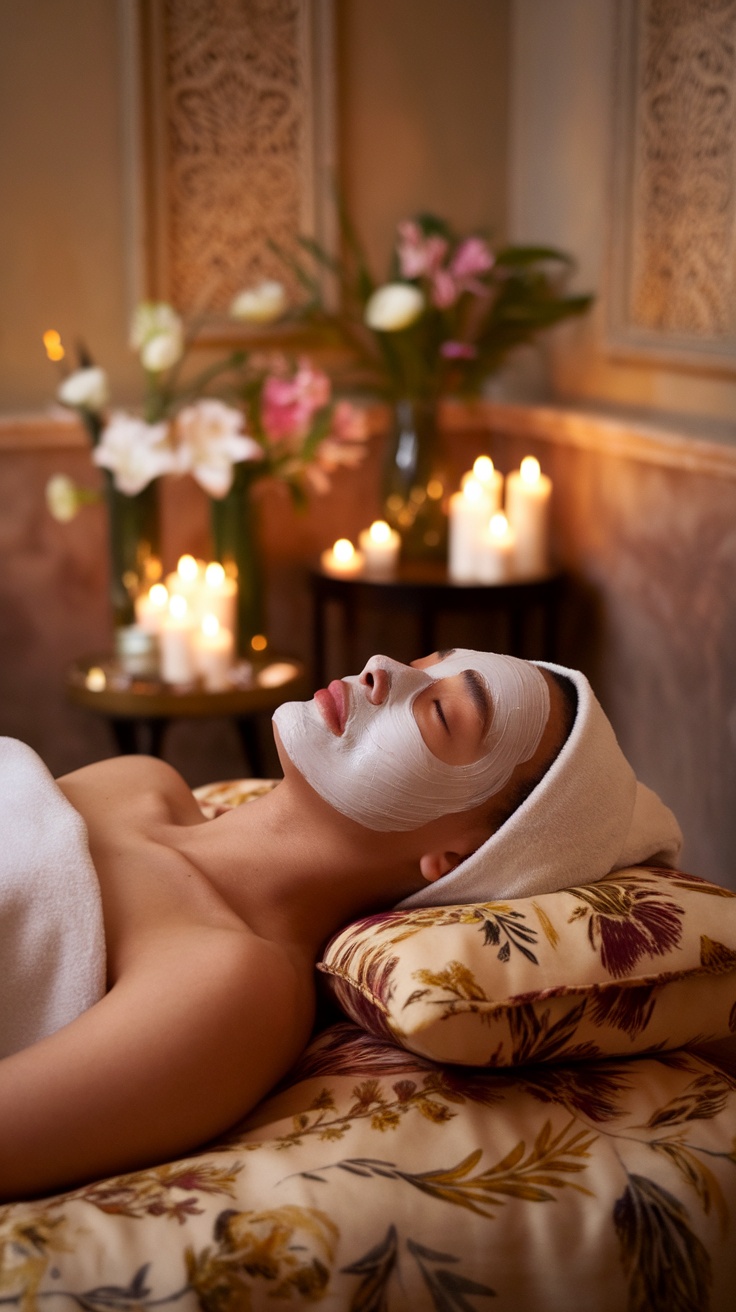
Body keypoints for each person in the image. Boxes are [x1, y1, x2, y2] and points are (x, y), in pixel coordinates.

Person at [0, 649, 681, 1200]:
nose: (382, 666)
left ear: (456, 857)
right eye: (427, 660)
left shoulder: (234, 984)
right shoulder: (140, 780)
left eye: (442, 711)